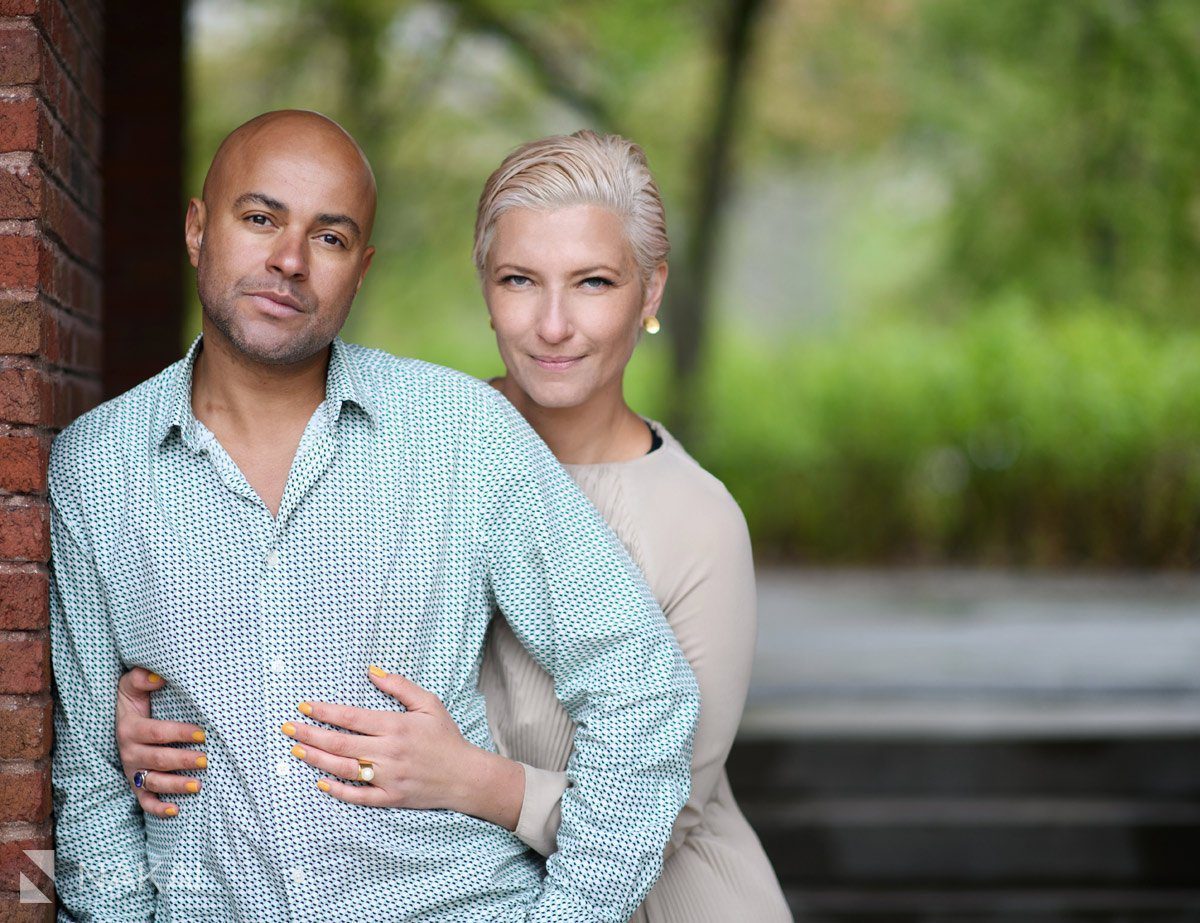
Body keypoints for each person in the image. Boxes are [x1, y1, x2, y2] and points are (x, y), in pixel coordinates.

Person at [112, 130, 792, 921]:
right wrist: (166, 723)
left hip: (660, 902)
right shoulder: (427, 441)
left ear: (649, 293)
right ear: (486, 289)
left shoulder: (700, 522)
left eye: (595, 282)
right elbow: (286, 641)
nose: (553, 324)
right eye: (518, 279)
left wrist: (468, 779)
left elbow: (663, 813)